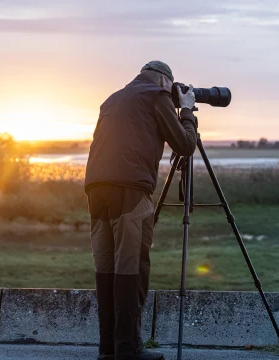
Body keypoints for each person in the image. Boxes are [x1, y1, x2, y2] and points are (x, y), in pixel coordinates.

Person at [84, 61, 197, 360]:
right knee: (131, 268)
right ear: (164, 80)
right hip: (131, 190)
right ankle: (128, 350)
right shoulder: (156, 96)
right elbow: (185, 145)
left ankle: (108, 348)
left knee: (106, 268)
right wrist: (186, 111)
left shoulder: (112, 99)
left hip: (95, 189)